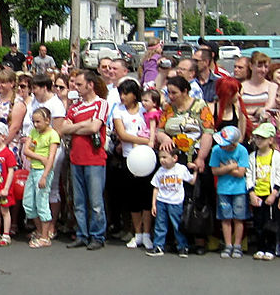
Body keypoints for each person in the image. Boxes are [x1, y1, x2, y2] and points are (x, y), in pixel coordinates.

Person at [157, 75, 215, 255]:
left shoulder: (200, 106)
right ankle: (178, 238)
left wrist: (201, 158)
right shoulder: (169, 109)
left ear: (185, 91)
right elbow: (159, 129)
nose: (171, 96)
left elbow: (207, 132)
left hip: (194, 156)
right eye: (169, 92)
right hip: (174, 159)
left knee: (196, 198)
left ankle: (199, 240)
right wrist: (165, 137)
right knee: (175, 197)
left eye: (174, 93)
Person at [62, 69, 109, 250]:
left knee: (96, 201)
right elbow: (64, 129)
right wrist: (83, 125)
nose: (77, 88)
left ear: (91, 85)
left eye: (80, 84)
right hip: (76, 158)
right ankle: (82, 234)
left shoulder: (101, 104)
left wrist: (76, 126)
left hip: (94, 159)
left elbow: (95, 127)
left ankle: (97, 235)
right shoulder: (75, 107)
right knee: (79, 201)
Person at [113, 81, 156, 250]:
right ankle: (137, 233)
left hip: (147, 159)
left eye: (126, 93)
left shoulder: (145, 108)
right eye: (121, 93)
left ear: (134, 94)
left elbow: (154, 127)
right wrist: (146, 141)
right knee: (133, 198)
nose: (123, 97)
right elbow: (123, 134)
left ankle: (147, 234)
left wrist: (149, 142)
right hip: (129, 159)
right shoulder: (118, 110)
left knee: (146, 197)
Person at [146, 147, 194, 258]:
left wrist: (195, 170)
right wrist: (154, 204)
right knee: (160, 224)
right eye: (160, 158)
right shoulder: (160, 171)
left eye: (164, 157)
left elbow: (191, 180)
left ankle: (182, 246)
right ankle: (158, 246)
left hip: (176, 202)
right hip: (162, 201)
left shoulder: (181, 169)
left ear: (175, 158)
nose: (162, 160)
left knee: (177, 225)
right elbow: (156, 188)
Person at [22, 107, 60, 248]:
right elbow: (27, 150)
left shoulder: (53, 135)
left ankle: (45, 236)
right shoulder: (33, 132)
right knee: (28, 203)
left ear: (47, 120)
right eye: (33, 122)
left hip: (43, 172)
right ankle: (38, 230)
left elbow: (51, 157)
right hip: (33, 169)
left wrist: (44, 175)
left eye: (38, 122)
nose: (36, 125)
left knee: (42, 203)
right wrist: (40, 157)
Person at [210, 126, 249, 258]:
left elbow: (240, 173)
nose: (221, 146)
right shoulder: (216, 150)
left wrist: (225, 168)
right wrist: (232, 166)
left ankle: (237, 245)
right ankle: (228, 245)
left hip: (239, 190)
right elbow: (214, 171)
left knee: (239, 218)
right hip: (223, 189)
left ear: (233, 144)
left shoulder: (242, 150)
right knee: (225, 218)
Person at [247, 122, 280, 261]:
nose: (259, 140)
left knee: (271, 223)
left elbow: (278, 175)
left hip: (270, 194)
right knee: (258, 222)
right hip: (257, 194)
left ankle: (270, 248)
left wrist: (274, 193)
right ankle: (260, 247)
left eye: (262, 138)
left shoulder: (276, 156)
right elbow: (249, 175)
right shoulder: (252, 156)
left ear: (270, 140)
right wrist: (251, 193)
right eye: (257, 137)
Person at [241, 52, 278, 124]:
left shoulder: (272, 86)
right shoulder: (241, 86)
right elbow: (237, 108)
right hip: (245, 125)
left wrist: (252, 112)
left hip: (265, 127)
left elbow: (269, 107)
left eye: (266, 67)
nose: (263, 70)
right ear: (251, 66)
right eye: (259, 66)